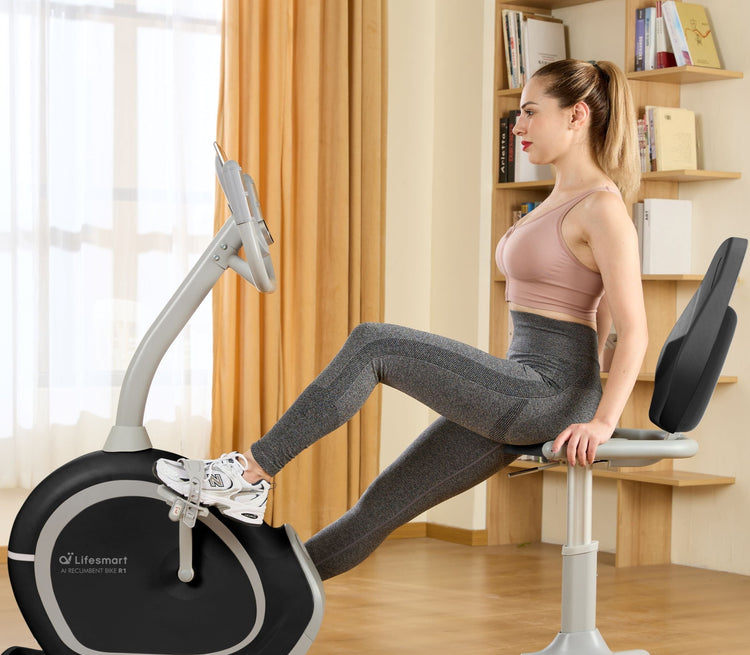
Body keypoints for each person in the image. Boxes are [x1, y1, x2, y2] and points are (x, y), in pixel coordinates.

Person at [156, 59, 647, 580]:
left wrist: (600, 421)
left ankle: (249, 474)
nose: (517, 127)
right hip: (527, 387)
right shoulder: (562, 197)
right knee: (382, 504)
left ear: (576, 116)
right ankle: (268, 595)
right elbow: (600, 321)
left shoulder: (602, 209)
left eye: (529, 113)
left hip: (546, 392)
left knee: (375, 344)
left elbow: (630, 329)